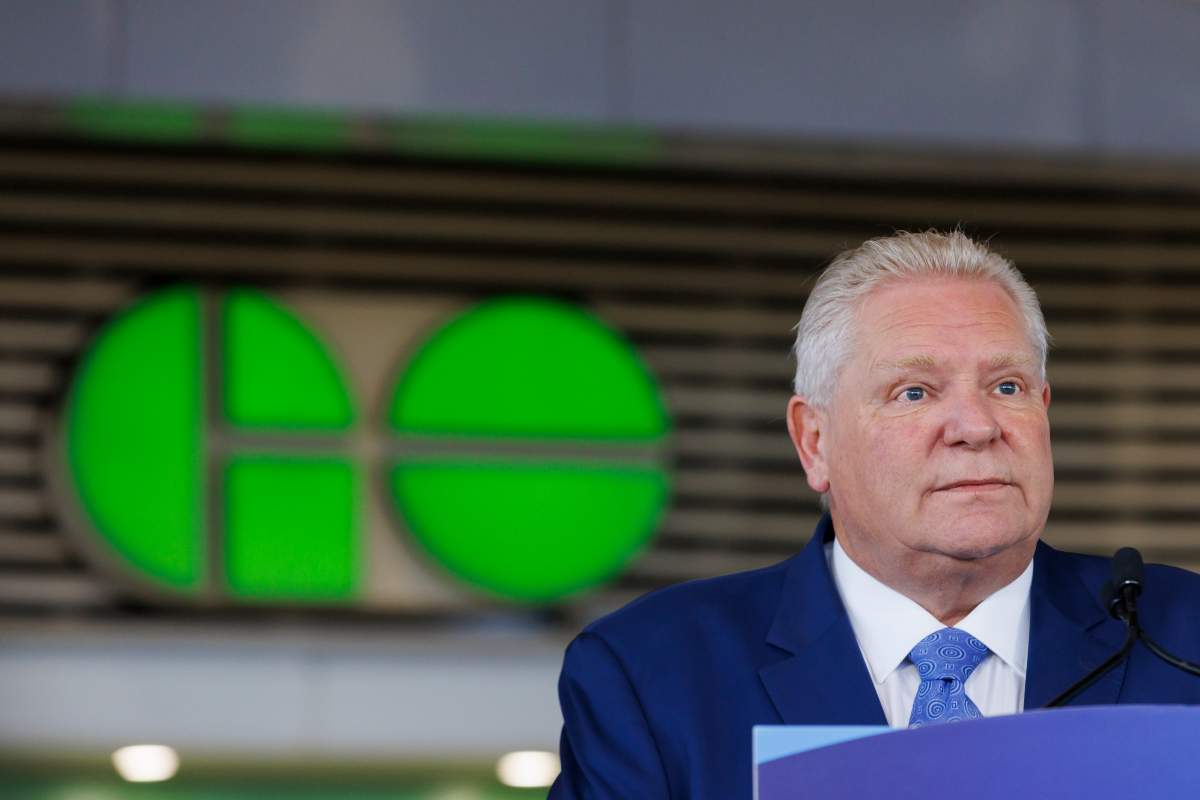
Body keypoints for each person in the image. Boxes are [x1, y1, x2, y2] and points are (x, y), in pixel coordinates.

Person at [548, 230, 1200, 799]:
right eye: (913, 391)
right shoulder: (651, 674)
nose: (977, 426)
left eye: (1007, 386)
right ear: (815, 442)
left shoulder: (1181, 642)